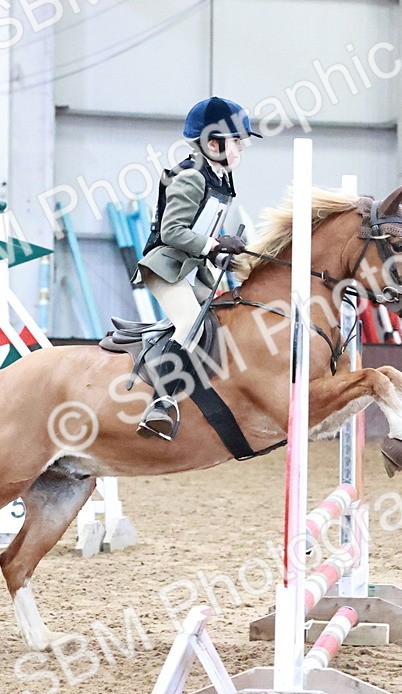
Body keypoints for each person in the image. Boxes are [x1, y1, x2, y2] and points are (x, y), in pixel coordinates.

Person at [133, 96, 261, 440]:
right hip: (167, 267)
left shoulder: (220, 180)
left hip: (193, 269)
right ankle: (159, 402)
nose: (242, 149)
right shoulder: (191, 176)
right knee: (191, 322)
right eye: (238, 141)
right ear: (213, 142)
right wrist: (215, 245)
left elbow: (200, 233)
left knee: (223, 320)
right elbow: (173, 232)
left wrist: (223, 254)